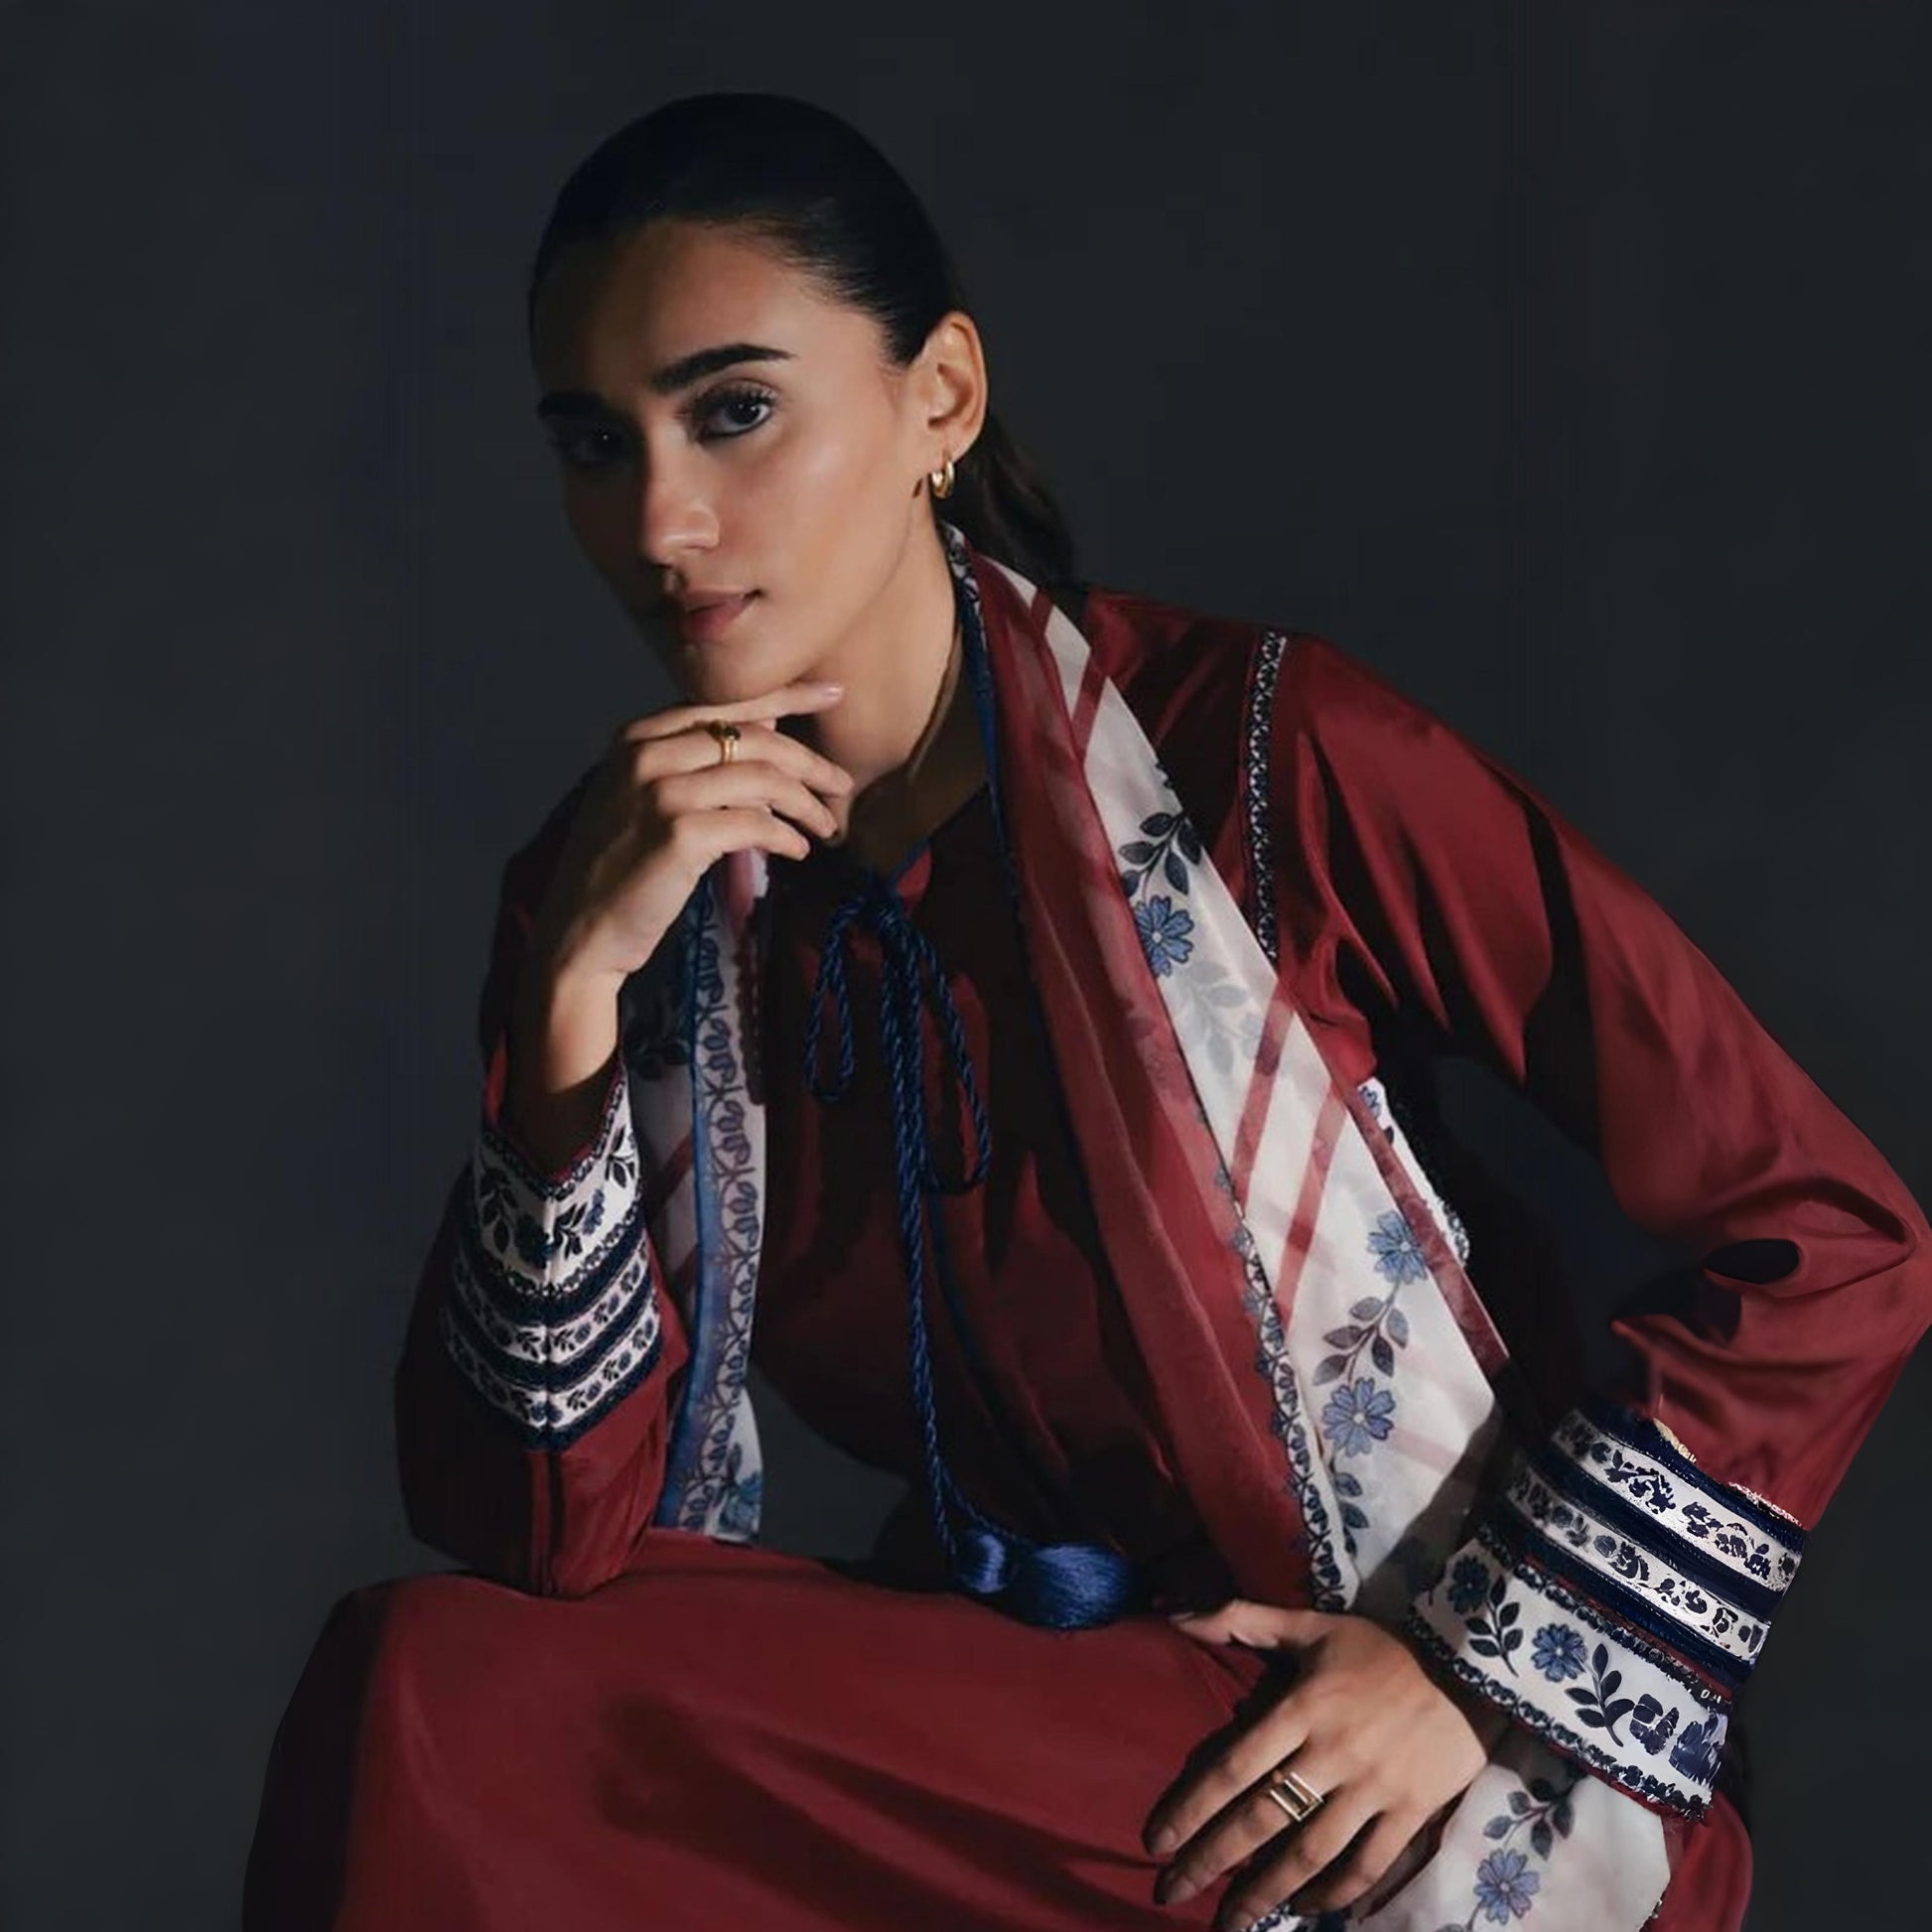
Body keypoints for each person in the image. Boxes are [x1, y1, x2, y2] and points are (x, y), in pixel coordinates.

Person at [244, 91, 1929, 1932]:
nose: (659, 519)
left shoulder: (1261, 761)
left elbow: (1833, 1236)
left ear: (940, 399)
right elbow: (538, 1537)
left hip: (1359, 1764)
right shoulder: (627, 894)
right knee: (437, 1688)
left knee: (446, 1704)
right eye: (594, 441)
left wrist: (1469, 1667)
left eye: (733, 412)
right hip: (1006, 1736)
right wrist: (571, 1004)